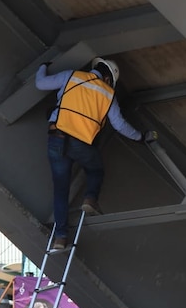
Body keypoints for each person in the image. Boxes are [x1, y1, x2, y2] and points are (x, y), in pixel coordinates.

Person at [36, 57, 158, 249]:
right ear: (109, 79)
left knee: (60, 190)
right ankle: (90, 198)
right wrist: (140, 137)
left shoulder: (72, 76)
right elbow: (119, 125)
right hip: (81, 144)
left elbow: (41, 83)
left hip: (56, 139)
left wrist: (43, 66)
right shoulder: (108, 94)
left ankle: (60, 238)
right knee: (95, 171)